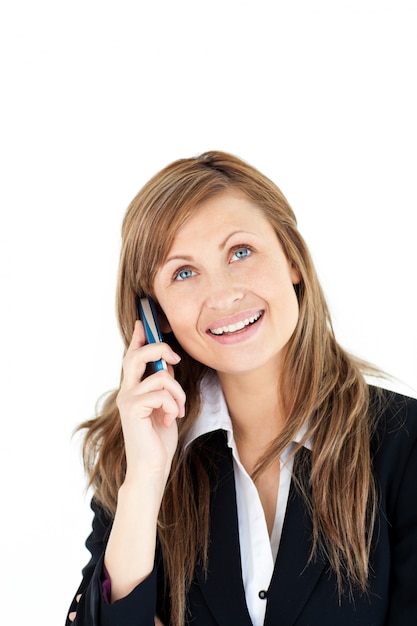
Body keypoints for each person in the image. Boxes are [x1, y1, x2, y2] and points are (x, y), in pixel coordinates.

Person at [66, 151, 417, 626]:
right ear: (157, 316)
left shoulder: (405, 442)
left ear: (293, 260)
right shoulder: (137, 455)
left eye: (240, 252)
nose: (224, 294)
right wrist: (146, 480)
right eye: (183, 272)